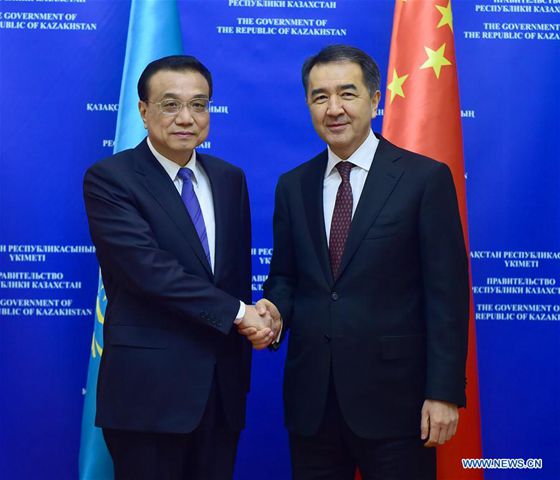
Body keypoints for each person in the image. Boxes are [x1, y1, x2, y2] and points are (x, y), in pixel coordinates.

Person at [255, 45, 469, 480]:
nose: (333, 109)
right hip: (312, 403)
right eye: (320, 97)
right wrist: (274, 312)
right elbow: (285, 278)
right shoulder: (292, 186)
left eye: (347, 94)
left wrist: (443, 392)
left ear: (375, 100)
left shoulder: (423, 179)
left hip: (398, 404)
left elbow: (446, 295)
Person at [83, 55, 276, 480]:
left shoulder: (229, 179)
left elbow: (232, 278)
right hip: (148, 397)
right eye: (170, 105)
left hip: (221, 394)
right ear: (143, 111)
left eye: (199, 104)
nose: (187, 117)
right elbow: (149, 272)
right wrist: (242, 314)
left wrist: (266, 315)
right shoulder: (111, 178)